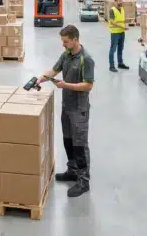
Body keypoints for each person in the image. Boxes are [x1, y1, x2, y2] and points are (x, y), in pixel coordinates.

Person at [38, 25, 95, 198]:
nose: (63, 45)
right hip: (67, 106)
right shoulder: (66, 55)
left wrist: (65, 85)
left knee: (80, 144)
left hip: (79, 109)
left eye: (65, 41)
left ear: (75, 40)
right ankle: (72, 170)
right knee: (68, 140)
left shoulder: (86, 59)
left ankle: (83, 181)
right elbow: (54, 70)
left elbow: (88, 85)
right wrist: (40, 79)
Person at [108, 0, 129, 72]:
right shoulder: (112, 10)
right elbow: (112, 21)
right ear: (115, 1)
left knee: (120, 48)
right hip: (115, 33)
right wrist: (122, 27)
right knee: (113, 49)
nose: (121, 2)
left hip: (122, 32)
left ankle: (120, 63)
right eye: (119, 1)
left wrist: (126, 24)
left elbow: (123, 19)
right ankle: (111, 66)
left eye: (121, 1)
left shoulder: (122, 9)